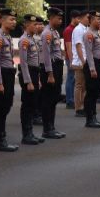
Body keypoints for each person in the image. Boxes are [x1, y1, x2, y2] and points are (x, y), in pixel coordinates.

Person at [0, 8, 18, 151]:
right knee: (0, 108)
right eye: (11, 19)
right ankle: (0, 140)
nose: (14, 22)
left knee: (7, 105)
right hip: (2, 74)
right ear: (2, 20)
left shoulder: (7, 36)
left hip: (8, 73)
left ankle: (2, 138)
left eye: (14, 20)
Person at [38, 7, 67, 139]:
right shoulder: (47, 33)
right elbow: (45, 55)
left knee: (54, 98)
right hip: (50, 68)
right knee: (48, 99)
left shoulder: (54, 32)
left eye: (61, 19)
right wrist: (50, 74)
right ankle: (47, 129)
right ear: (51, 18)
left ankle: (52, 127)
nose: (60, 21)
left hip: (57, 66)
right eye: (58, 18)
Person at [17, 14, 44, 146]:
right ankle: (26, 135)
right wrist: (28, 81)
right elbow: (24, 63)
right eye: (34, 24)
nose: (37, 26)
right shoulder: (24, 40)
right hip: (27, 74)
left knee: (33, 104)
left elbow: (36, 61)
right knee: (27, 105)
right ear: (27, 25)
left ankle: (30, 133)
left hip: (34, 73)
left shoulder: (32, 39)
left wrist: (37, 79)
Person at [82, 11, 100, 128]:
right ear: (90, 20)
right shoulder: (89, 34)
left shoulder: (97, 33)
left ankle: (94, 117)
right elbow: (89, 52)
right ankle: (89, 119)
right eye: (97, 19)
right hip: (94, 65)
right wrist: (92, 69)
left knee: (96, 92)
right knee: (91, 93)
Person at [63, 10, 80, 109]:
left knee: (74, 79)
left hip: (75, 58)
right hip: (71, 58)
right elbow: (68, 47)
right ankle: (69, 100)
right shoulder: (69, 30)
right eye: (78, 18)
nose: (79, 20)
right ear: (73, 18)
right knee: (71, 79)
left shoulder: (75, 29)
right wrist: (72, 60)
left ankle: (72, 99)